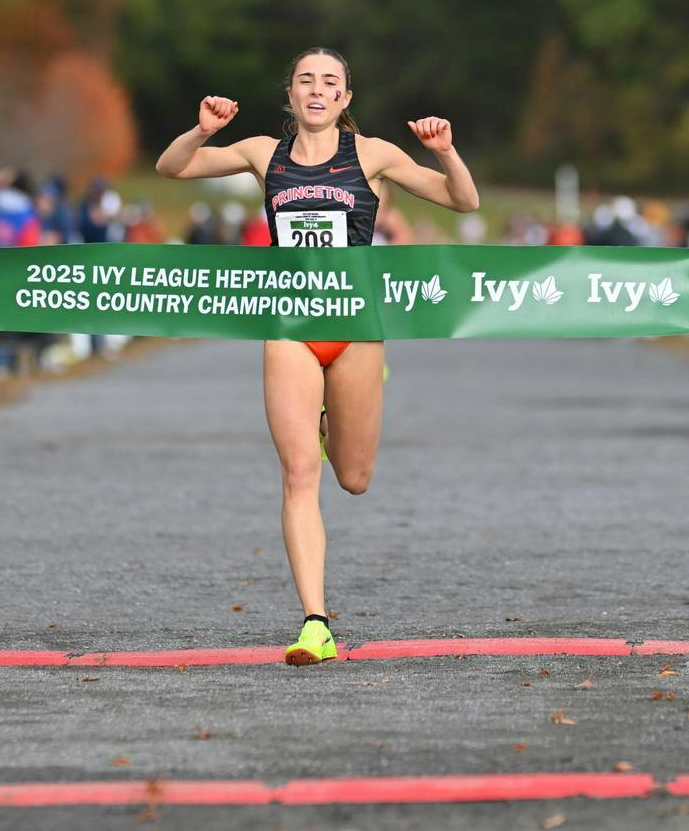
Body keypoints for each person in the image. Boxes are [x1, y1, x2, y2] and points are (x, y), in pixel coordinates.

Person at [155, 47, 479, 666]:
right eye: (306, 80)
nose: (318, 89)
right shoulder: (260, 153)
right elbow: (171, 169)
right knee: (300, 472)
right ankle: (315, 623)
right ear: (291, 94)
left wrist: (445, 151)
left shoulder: (373, 155)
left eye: (331, 82)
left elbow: (463, 202)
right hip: (290, 324)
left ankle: (335, 414)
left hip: (356, 330)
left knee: (353, 479)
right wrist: (201, 128)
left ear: (346, 98)